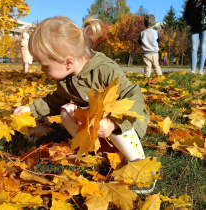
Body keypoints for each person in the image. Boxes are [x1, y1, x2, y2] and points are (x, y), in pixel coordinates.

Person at [14, 16, 152, 193]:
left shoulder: (104, 69)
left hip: (124, 122)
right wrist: (30, 109)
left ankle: (139, 165)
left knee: (117, 127)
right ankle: (87, 148)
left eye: (45, 66)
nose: (42, 70)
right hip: (95, 124)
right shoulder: (67, 79)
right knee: (66, 111)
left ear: (68, 62)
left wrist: (112, 122)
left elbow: (133, 98)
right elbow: (55, 101)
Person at [138, 14, 163, 80]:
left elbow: (139, 42)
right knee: (156, 65)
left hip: (146, 53)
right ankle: (159, 76)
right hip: (154, 53)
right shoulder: (155, 32)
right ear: (153, 24)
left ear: (145, 24)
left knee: (147, 66)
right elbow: (158, 40)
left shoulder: (142, 33)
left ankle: (147, 77)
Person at [184, 0, 206, 75]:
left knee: (203, 49)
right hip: (194, 28)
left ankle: (200, 69)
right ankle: (193, 69)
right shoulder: (190, 2)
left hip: (205, 28)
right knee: (194, 48)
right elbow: (186, 15)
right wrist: (190, 23)